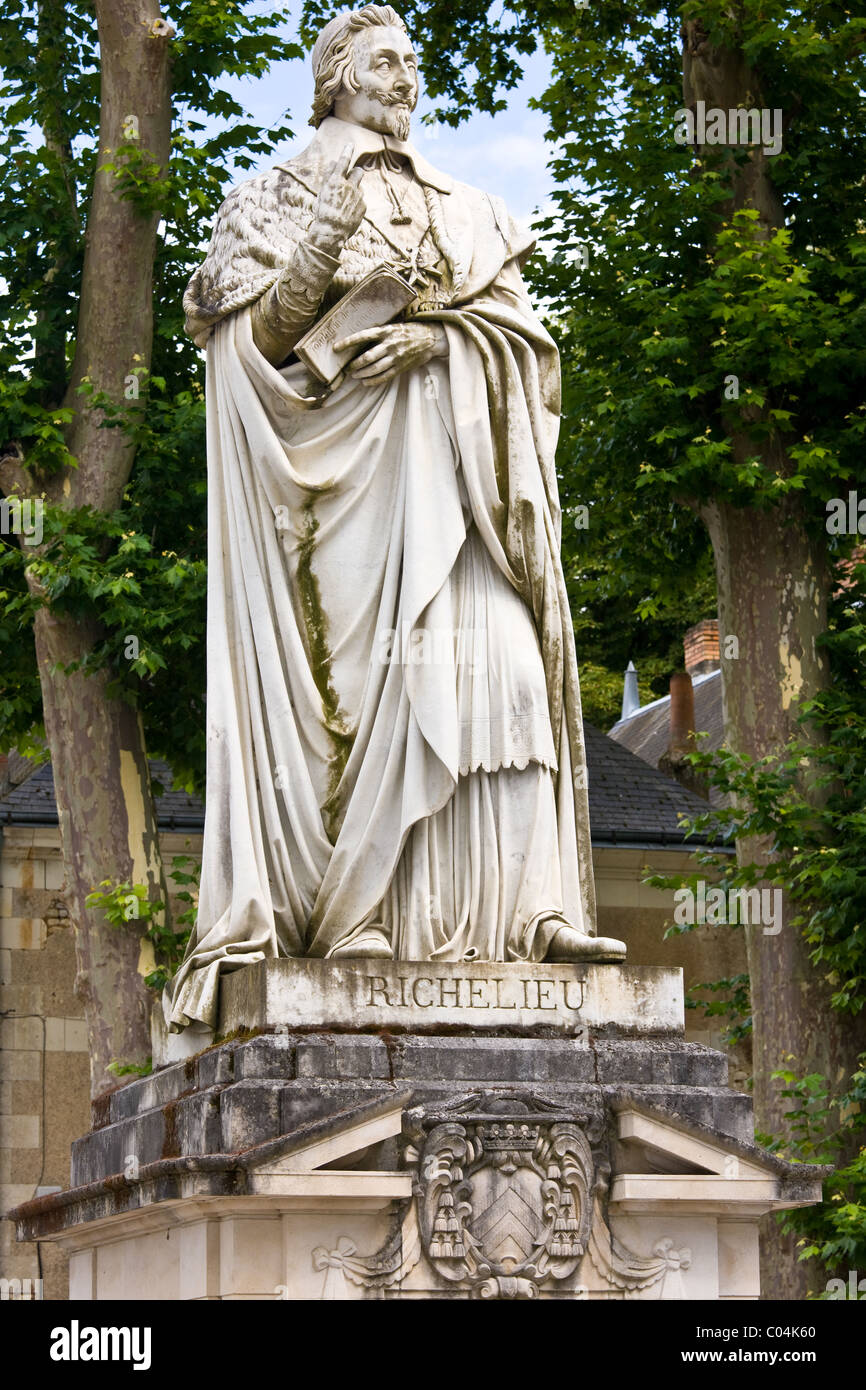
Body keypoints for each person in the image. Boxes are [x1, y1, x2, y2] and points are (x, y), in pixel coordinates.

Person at [167, 4, 625, 1033]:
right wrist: (324, 247)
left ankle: (528, 910)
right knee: (383, 692)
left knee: (502, 668)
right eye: (384, 60)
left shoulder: (466, 207)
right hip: (346, 501)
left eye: (413, 62)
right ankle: (361, 915)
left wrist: (439, 345)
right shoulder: (273, 192)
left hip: (462, 481)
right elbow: (256, 346)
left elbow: (528, 353)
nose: (406, 78)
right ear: (333, 75)